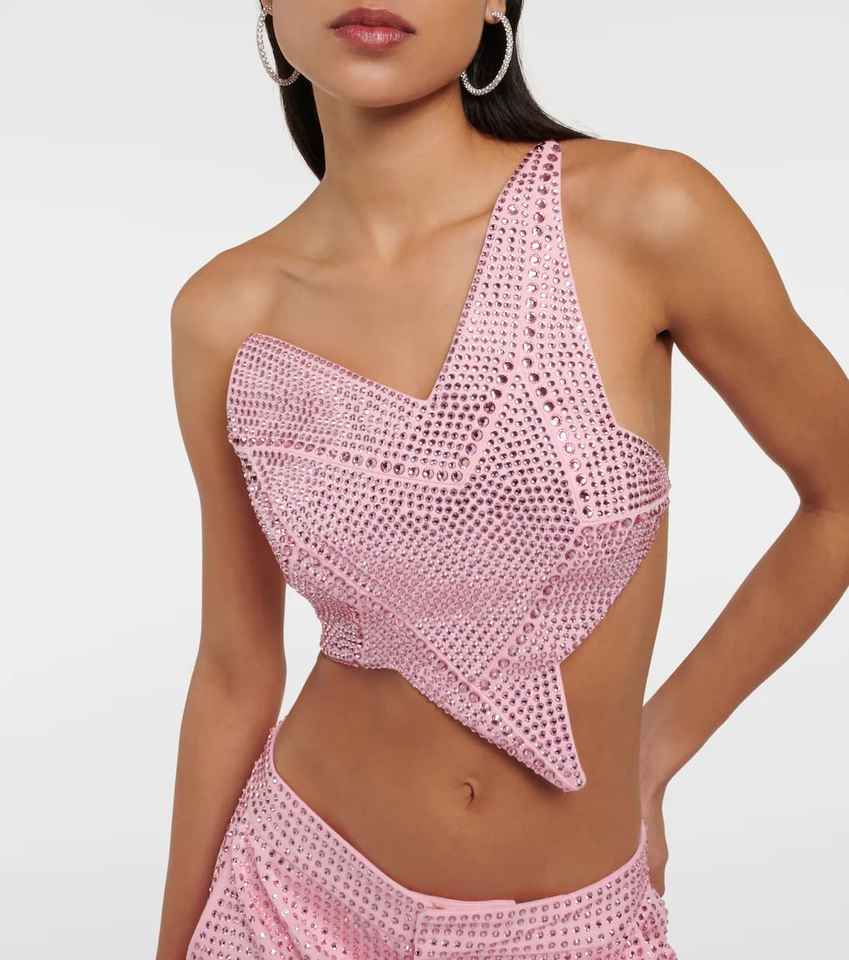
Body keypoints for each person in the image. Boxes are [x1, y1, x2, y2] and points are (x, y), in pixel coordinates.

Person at [156, 3, 849, 959]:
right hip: (286, 896)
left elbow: (838, 498)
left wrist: (654, 750)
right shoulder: (225, 312)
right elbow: (234, 672)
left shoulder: (642, 212)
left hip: (575, 926)